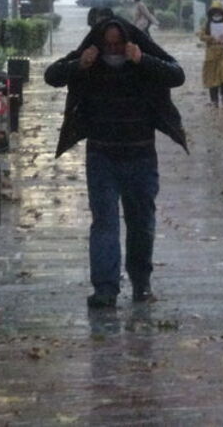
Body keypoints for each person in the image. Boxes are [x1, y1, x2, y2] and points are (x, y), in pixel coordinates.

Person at [44, 17, 188, 308]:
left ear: (128, 42)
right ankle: (106, 288)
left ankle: (141, 283)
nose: (112, 50)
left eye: (117, 44)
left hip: (141, 156)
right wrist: (79, 65)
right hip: (102, 157)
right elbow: (52, 75)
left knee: (141, 223)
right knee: (105, 223)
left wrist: (143, 60)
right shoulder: (90, 64)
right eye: (107, 45)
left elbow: (177, 75)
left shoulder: (141, 62)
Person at [199, 0, 223, 107]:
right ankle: (214, 100)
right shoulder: (207, 23)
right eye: (214, 13)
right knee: (212, 77)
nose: (216, 15)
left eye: (218, 13)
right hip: (211, 53)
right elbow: (201, 35)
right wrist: (211, 38)